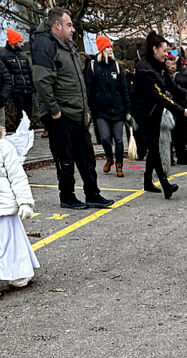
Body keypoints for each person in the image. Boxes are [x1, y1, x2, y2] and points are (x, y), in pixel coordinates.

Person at [31, 7, 113, 210]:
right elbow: (42, 82)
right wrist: (55, 111)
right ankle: (67, 196)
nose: (73, 29)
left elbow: (76, 81)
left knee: (86, 156)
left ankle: (93, 194)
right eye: (69, 25)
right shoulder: (45, 45)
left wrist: (85, 110)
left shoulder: (67, 46)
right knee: (65, 158)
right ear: (56, 26)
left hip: (77, 112)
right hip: (62, 114)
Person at [132, 31, 187, 199]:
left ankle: (148, 180)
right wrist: (182, 111)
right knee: (154, 147)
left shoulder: (159, 66)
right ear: (155, 49)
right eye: (164, 50)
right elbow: (159, 96)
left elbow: (172, 87)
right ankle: (165, 185)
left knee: (153, 147)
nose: (167, 54)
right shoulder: (144, 68)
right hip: (144, 113)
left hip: (155, 111)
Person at [0, 117, 38, 288]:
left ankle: (19, 271)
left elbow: (17, 176)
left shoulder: (4, 147)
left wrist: (24, 202)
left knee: (11, 242)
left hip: (4, 205)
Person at [86, 35, 130, 177]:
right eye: (107, 47)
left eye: (110, 47)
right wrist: (90, 109)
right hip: (101, 111)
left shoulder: (116, 66)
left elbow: (124, 89)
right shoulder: (93, 66)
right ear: (101, 49)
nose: (110, 50)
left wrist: (127, 109)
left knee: (118, 139)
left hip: (118, 110)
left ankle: (119, 165)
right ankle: (109, 158)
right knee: (105, 138)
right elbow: (89, 89)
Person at [1, 29, 35, 130]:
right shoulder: (3, 56)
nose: (22, 43)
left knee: (28, 113)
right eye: (20, 41)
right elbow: (4, 75)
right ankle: (20, 134)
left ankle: (27, 133)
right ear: (13, 42)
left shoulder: (23, 56)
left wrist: (32, 86)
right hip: (15, 90)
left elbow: (29, 72)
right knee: (19, 113)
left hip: (27, 89)